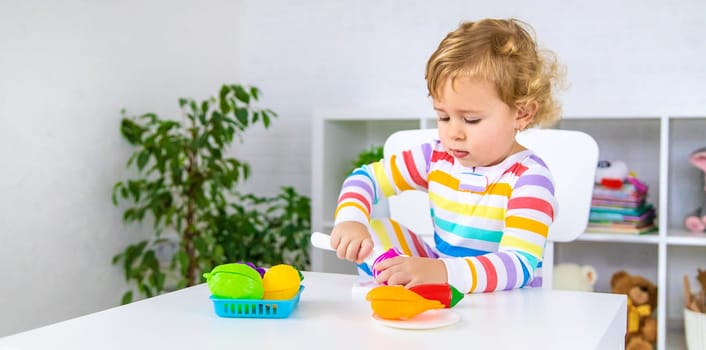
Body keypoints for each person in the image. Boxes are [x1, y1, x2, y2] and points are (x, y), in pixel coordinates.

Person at [330, 18, 565, 294]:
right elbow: (366, 178)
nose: (453, 132)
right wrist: (350, 219)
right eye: (443, 116)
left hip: (505, 306)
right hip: (443, 289)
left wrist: (442, 272)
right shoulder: (436, 157)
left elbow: (518, 265)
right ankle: (397, 302)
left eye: (471, 119)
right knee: (376, 231)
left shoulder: (530, 178)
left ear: (522, 113)